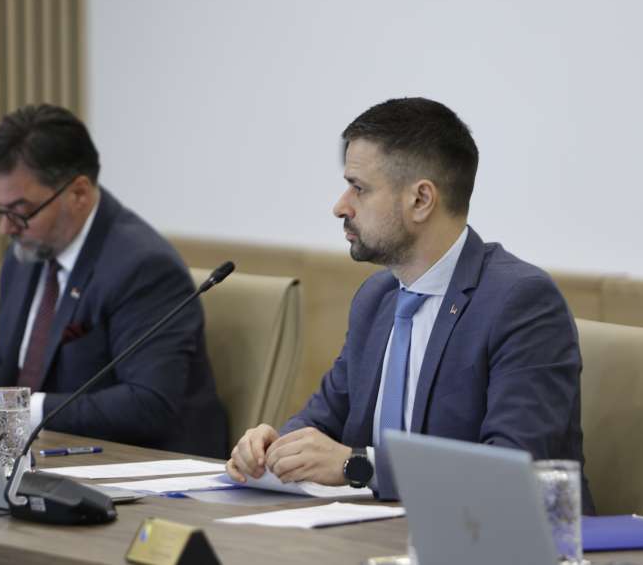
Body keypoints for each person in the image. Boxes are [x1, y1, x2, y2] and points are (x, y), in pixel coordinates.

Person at [226, 97, 594, 510]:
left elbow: (514, 468)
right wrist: (273, 448)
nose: (340, 206)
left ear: (421, 200)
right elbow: (324, 418)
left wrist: (359, 466)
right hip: (381, 534)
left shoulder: (520, 302)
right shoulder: (377, 299)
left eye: (359, 188)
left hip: (497, 537)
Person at [0, 104, 228, 458]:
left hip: (139, 466)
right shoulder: (26, 254)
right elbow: (5, 368)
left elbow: (149, 403)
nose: (6, 228)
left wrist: (26, 410)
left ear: (78, 193)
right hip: (44, 457)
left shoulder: (144, 267)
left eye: (20, 211)